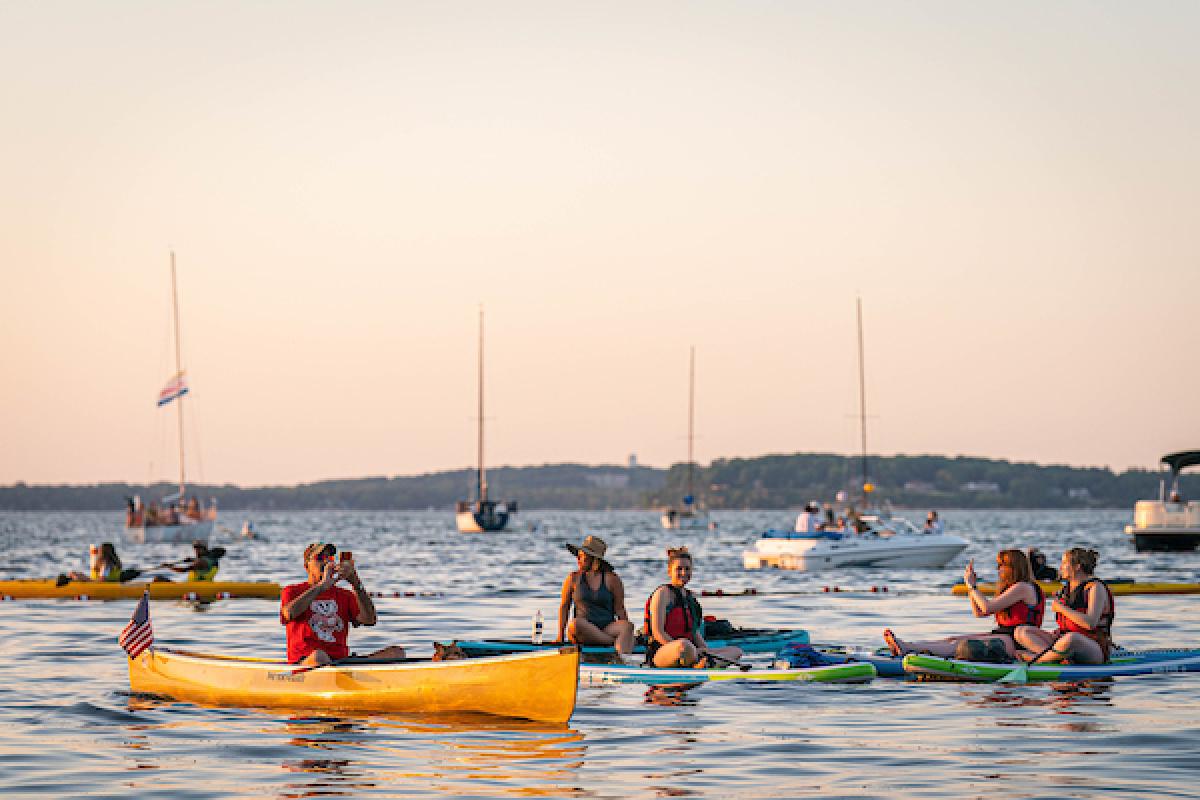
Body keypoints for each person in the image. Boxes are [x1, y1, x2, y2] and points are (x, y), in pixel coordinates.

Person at [883, 549, 1045, 659]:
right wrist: (970, 588)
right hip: (1003, 635)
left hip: (1016, 641)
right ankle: (907, 646)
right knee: (951, 639)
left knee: (958, 645)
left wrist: (972, 586)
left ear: (1013, 568)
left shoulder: (1023, 587)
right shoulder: (1014, 588)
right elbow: (979, 613)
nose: (998, 570)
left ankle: (909, 648)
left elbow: (987, 608)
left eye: (1001, 566)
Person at [280, 542, 406, 666]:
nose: (326, 562)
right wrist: (321, 587)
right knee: (320, 656)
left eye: (329, 558)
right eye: (320, 558)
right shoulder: (292, 591)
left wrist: (356, 583)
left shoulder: (345, 595)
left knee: (397, 653)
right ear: (306, 566)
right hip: (307, 660)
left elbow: (369, 620)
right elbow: (289, 613)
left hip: (341, 661)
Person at [644, 546, 742, 668]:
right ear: (669, 571)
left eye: (687, 569)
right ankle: (703, 662)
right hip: (663, 652)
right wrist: (689, 649)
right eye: (679, 569)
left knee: (736, 651)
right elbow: (658, 633)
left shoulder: (689, 597)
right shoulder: (662, 593)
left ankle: (706, 664)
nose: (684, 573)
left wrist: (705, 650)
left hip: (690, 651)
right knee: (684, 645)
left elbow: (694, 632)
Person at [1014, 547, 1114, 665]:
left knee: (1072, 638)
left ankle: (1038, 659)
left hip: (1094, 647)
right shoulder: (1067, 589)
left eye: (1064, 563)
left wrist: (1061, 608)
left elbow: (1090, 623)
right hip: (1064, 640)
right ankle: (1057, 658)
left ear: (1078, 566)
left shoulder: (1095, 588)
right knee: (1021, 631)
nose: (1060, 567)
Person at [555, 535, 635, 655]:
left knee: (628, 626)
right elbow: (564, 607)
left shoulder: (612, 579)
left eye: (583, 557)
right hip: (583, 630)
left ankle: (621, 662)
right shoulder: (573, 578)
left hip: (607, 627)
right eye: (578, 556)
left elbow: (620, 609)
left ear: (595, 560)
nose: (578, 559)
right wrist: (560, 636)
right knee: (575, 624)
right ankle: (613, 643)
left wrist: (627, 633)